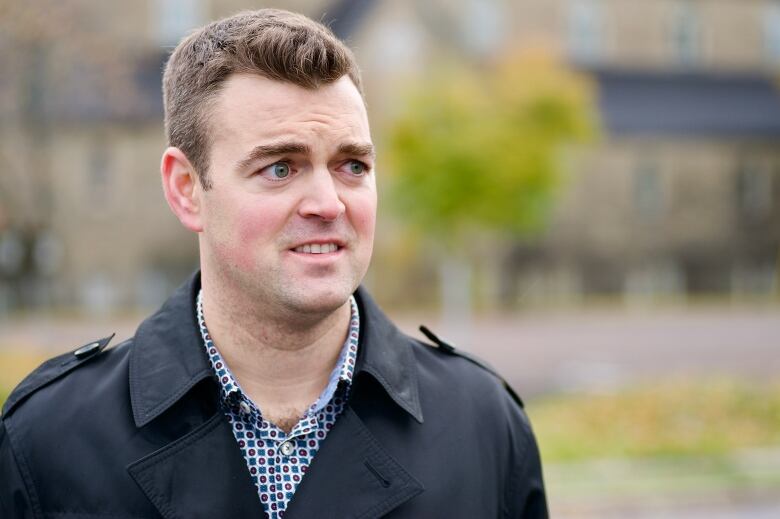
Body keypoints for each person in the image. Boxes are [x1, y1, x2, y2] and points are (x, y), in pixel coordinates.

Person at [0, 9, 547, 518]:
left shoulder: (484, 428)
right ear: (187, 189)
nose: (329, 203)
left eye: (351, 165)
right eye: (281, 168)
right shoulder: (47, 440)